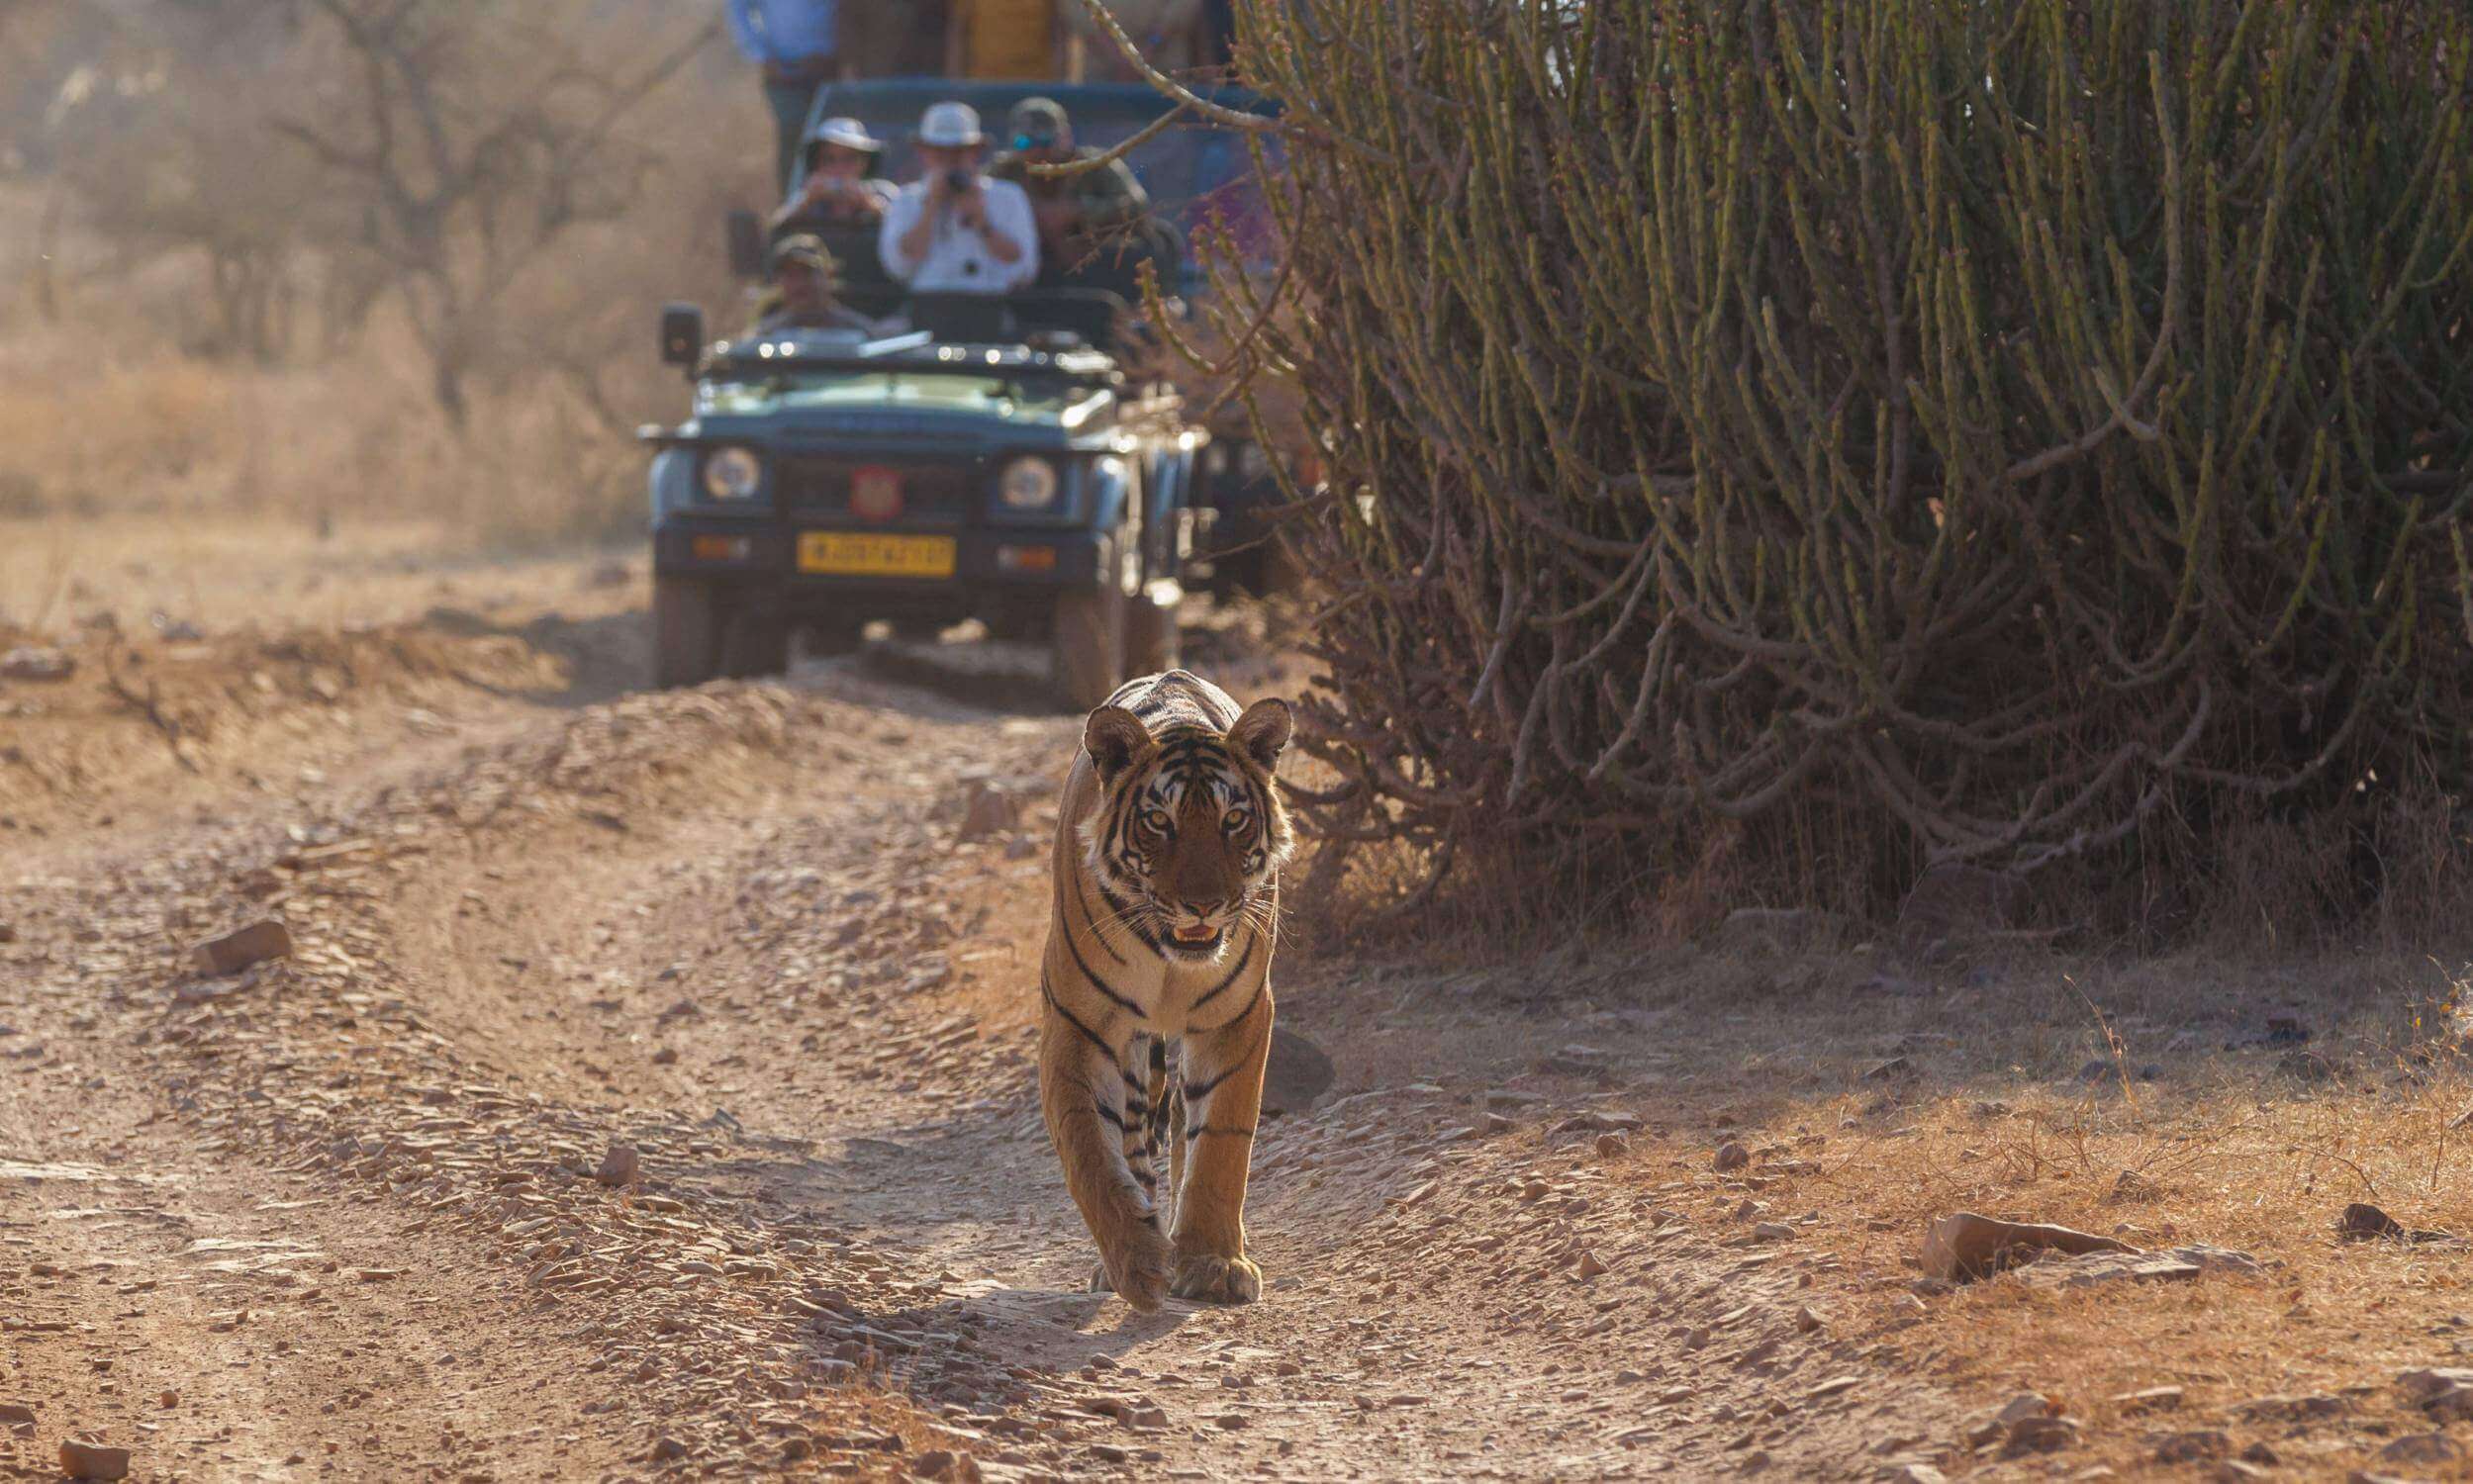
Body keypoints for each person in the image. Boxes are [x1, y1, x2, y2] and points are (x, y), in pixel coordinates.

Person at [989, 96, 1156, 286]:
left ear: (1065, 137)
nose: (1037, 151)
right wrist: (1027, 213)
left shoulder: (1094, 165)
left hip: (1095, 273)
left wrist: (1076, 211)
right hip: (1026, 278)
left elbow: (1137, 206)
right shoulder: (1004, 171)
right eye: (1024, 143)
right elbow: (975, 199)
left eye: (1045, 141)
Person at [878, 101, 1038, 295]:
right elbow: (899, 267)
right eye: (940, 152)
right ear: (924, 152)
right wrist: (931, 207)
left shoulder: (1008, 196)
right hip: (927, 306)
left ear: (976, 151)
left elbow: (1024, 269)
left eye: (958, 151)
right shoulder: (905, 200)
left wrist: (983, 222)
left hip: (990, 305)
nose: (949, 161)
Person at [727, 0, 845, 191]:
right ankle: (792, 208)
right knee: (794, 134)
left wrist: (835, 52)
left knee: (839, 139)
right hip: (784, 73)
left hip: (831, 71)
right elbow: (738, 9)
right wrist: (762, 56)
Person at [771, 117, 895, 232]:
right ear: (817, 163)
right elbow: (775, 227)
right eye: (829, 160)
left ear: (864, 163)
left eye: (849, 159)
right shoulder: (808, 197)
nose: (839, 168)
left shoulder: (882, 192)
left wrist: (867, 203)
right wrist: (808, 201)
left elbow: (902, 225)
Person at [748, 235, 880, 335]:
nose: (799, 284)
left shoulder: (862, 333)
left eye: (807, 273)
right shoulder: (765, 337)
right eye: (790, 276)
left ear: (828, 275)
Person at [1064, 0, 1206, 82]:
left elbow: (1183, 6)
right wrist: (1115, 54)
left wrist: (1149, 48)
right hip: (1101, 77)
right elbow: (1075, 7)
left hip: (1166, 75)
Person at [944, 0, 1062, 80]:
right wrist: (954, 88)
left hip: (1037, 87)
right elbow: (958, 31)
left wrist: (1068, 90)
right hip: (984, 86)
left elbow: (1064, 33)